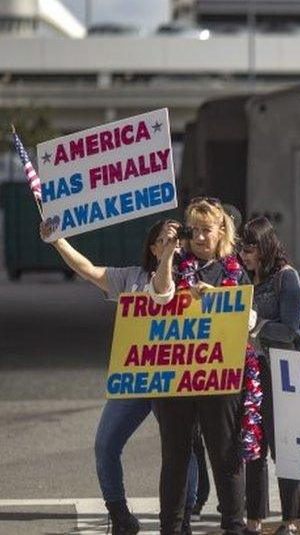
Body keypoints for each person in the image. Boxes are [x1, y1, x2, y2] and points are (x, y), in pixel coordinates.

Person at [40, 218, 199, 535]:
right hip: (135, 378)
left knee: (182, 448)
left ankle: (184, 513)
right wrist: (57, 241)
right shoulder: (131, 277)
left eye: (178, 239)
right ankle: (120, 514)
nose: (174, 244)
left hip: (173, 379)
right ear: (152, 247)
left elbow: (169, 291)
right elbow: (88, 269)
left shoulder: (193, 279)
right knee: (106, 445)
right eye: (166, 239)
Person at [152, 197, 251, 535]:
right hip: (178, 373)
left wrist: (219, 298)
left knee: (224, 455)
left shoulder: (234, 268)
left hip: (220, 375)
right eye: (193, 230)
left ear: (221, 230)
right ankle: (172, 527)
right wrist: (167, 252)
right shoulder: (179, 263)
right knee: (175, 457)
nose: (198, 237)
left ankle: (233, 526)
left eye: (205, 230)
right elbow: (161, 296)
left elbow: (249, 319)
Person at [238, 217, 300, 535]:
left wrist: (257, 324)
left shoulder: (286, 278)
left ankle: (290, 518)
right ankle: (254, 517)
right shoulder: (243, 278)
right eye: (241, 249)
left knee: (283, 446)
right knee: (253, 445)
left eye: (250, 249)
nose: (245, 255)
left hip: (278, 370)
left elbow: (290, 331)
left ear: (265, 247)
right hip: (249, 370)